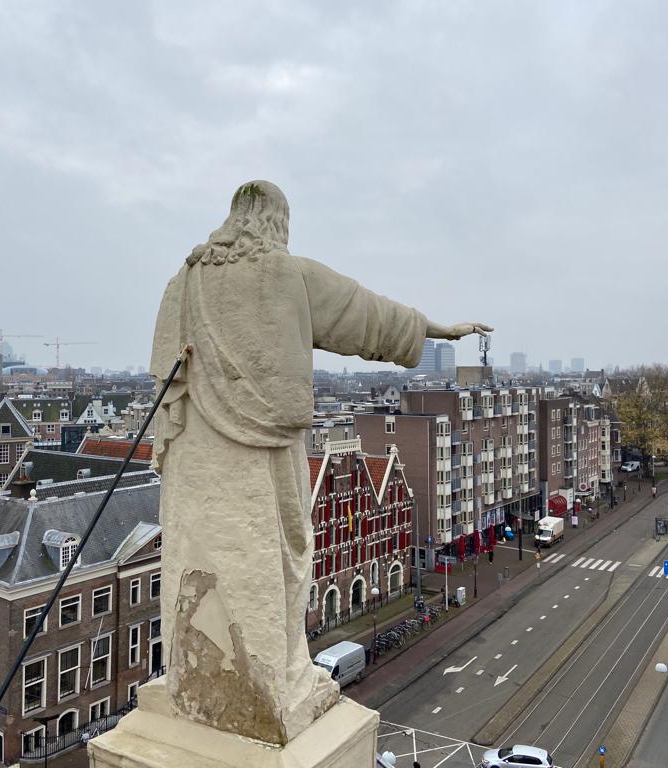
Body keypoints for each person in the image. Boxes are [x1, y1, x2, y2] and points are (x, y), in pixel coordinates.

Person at [150, 180, 492, 745]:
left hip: (196, 461)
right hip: (267, 452)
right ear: (275, 223)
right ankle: (273, 681)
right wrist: (440, 329)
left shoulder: (182, 282)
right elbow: (370, 316)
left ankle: (201, 675)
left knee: (200, 551)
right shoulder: (288, 275)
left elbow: (166, 376)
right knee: (280, 551)